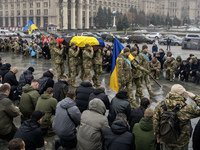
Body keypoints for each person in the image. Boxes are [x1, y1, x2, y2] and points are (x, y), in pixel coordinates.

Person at [153, 84, 200, 150]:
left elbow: (155, 122)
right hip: (181, 142)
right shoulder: (187, 108)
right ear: (182, 94)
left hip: (166, 139)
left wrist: (158, 136)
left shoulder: (160, 106)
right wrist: (195, 97)